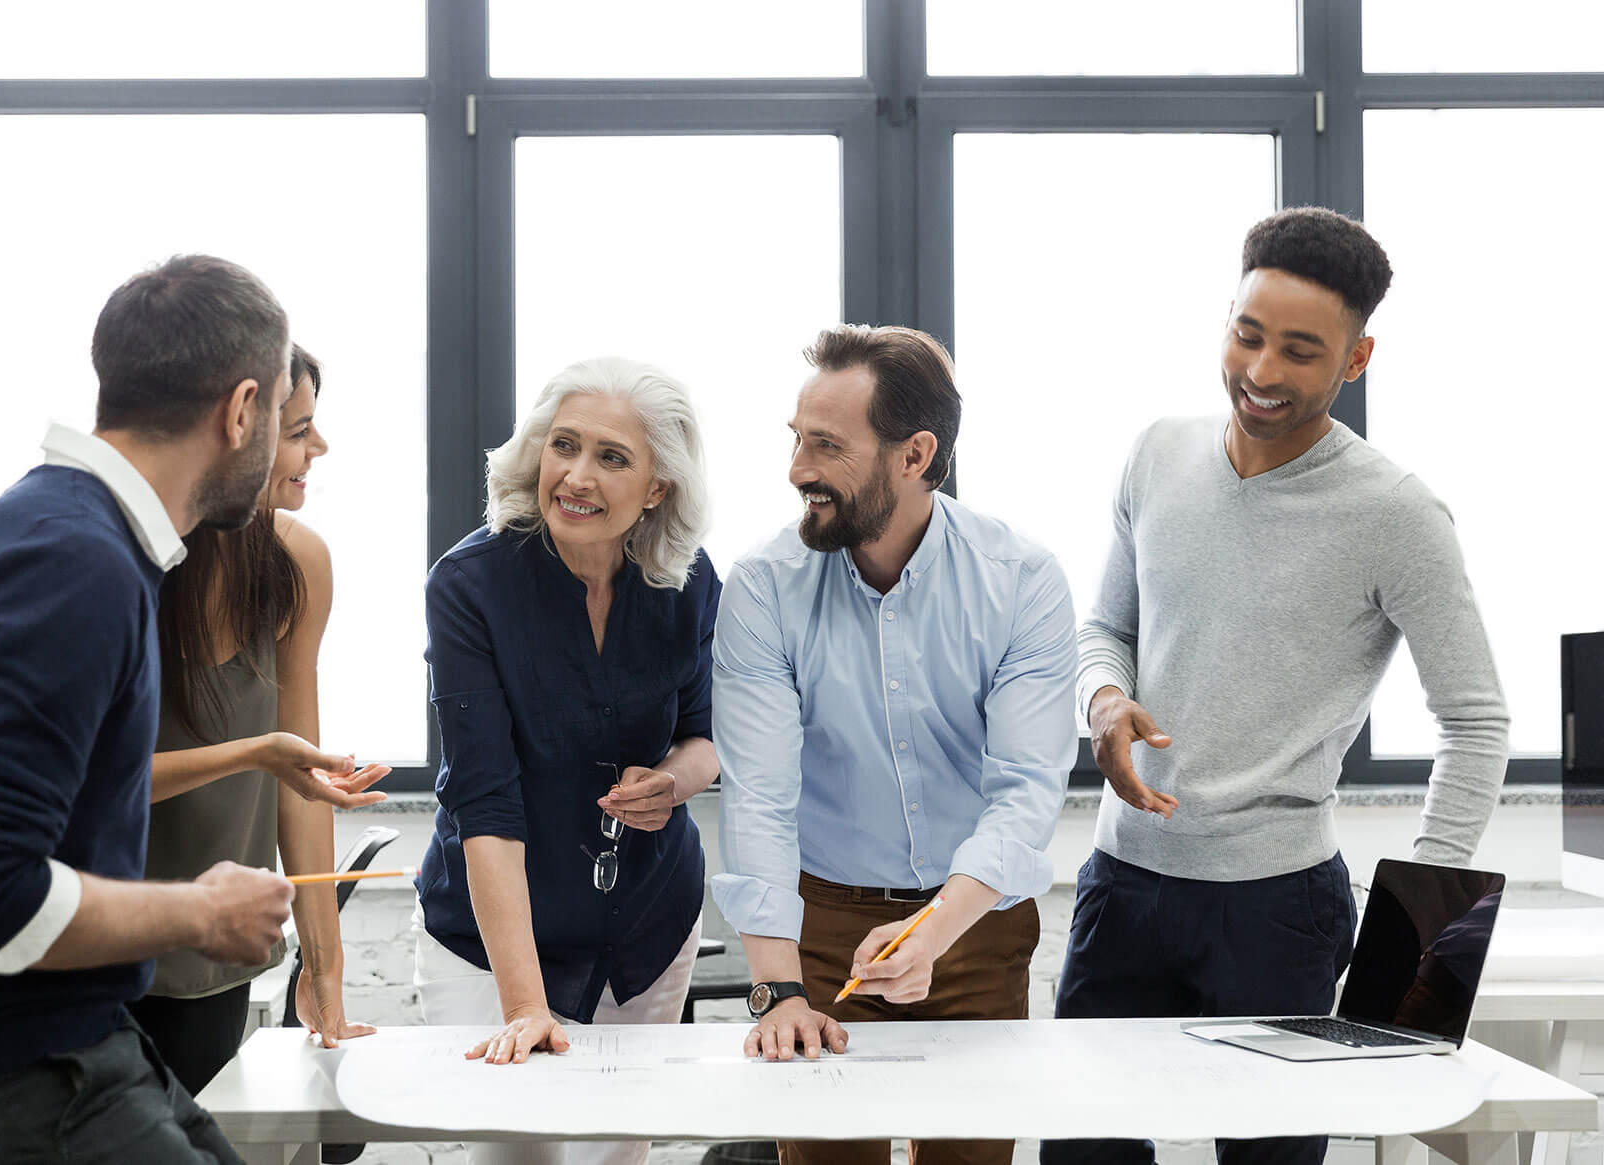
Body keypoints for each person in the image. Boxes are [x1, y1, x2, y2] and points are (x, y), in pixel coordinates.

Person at [0, 254, 337, 1163]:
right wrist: (198, 912)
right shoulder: (74, 568)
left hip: (57, 1033)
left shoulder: (78, 537)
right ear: (243, 409)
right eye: (285, 424)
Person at [1043, 207, 1509, 1165]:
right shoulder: (1155, 453)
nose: (1261, 372)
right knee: (1084, 1155)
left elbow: (1475, 719)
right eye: (1247, 335)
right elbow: (1107, 630)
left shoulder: (1397, 513)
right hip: (1122, 886)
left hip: (1279, 909)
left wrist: (1417, 923)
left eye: (1300, 351)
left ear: (1357, 358)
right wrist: (1103, 700)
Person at [712, 325, 1078, 1165]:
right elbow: (760, 796)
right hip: (823, 920)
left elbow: (1025, 790)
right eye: (797, 439)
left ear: (914, 454)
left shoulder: (1021, 579)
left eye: (828, 446)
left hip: (978, 926)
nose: (798, 469)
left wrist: (936, 932)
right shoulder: (764, 587)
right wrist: (777, 990)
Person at [411, 355, 720, 1165]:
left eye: (612, 457)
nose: (576, 476)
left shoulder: (687, 582)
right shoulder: (469, 584)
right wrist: (524, 1008)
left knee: (617, 1153)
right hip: (494, 940)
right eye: (564, 446)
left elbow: (706, 738)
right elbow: (484, 802)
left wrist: (671, 782)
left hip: (647, 927)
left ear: (658, 488)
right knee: (514, 1151)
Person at [129, 343, 389, 1098]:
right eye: (301, 429)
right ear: (239, 428)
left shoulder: (297, 564)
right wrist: (253, 753)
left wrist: (324, 966)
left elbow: (301, 782)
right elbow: (83, 785)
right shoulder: (129, 568)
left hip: (218, 959)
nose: (321, 447)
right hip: (103, 946)